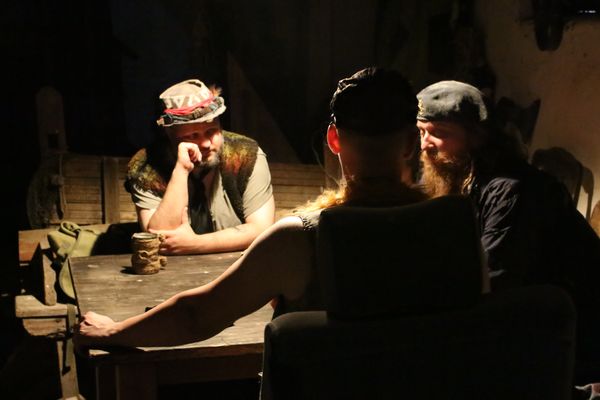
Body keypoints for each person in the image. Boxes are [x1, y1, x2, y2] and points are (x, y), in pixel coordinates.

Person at [74, 67, 429, 348]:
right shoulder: (450, 228)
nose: (204, 142)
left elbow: (196, 315)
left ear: (333, 140)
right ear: (414, 142)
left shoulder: (300, 238)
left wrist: (112, 331)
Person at [415, 80, 600, 384]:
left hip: (573, 343)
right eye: (422, 132)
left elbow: (495, 282)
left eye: (440, 133)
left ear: (476, 137)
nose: (425, 144)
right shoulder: (454, 173)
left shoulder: (511, 190)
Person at [125, 78, 275, 255]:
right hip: (174, 268)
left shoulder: (246, 154)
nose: (205, 143)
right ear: (169, 134)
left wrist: (195, 244)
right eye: (192, 136)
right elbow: (159, 239)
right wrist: (181, 170)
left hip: (236, 262)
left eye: (211, 131)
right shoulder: (145, 166)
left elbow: (261, 228)